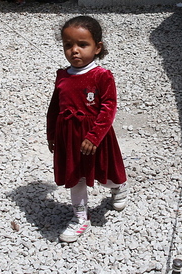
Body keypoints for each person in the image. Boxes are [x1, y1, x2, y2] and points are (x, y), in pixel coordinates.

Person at [47, 15, 128, 243]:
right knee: (76, 177)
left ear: (97, 47)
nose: (75, 51)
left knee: (104, 172)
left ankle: (118, 186)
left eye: (82, 45)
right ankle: (80, 217)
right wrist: (52, 134)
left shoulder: (101, 76)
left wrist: (94, 136)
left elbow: (109, 106)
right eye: (68, 45)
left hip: (96, 137)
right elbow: (54, 106)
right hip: (69, 138)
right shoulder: (62, 76)